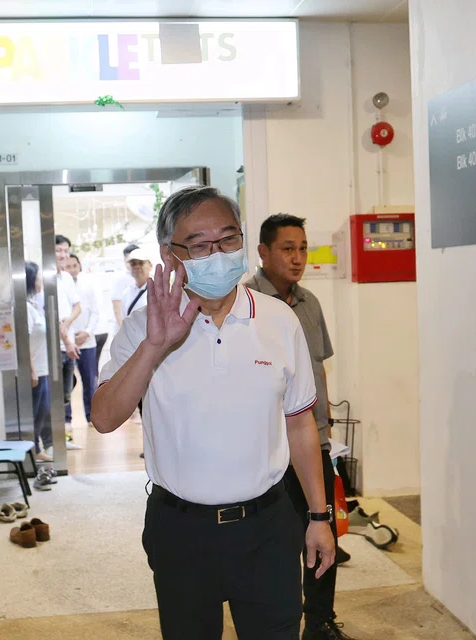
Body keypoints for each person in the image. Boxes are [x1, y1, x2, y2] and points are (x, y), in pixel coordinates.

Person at [92, 186, 335, 640]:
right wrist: (154, 346)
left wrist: (320, 518)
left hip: (267, 525)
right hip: (181, 530)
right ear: (170, 254)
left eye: (227, 240)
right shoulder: (143, 326)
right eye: (200, 245)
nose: (217, 254)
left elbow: (300, 423)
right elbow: (104, 418)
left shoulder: (280, 319)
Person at [246, 214, 353, 640]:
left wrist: (326, 433)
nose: (298, 258)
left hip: (314, 441)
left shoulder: (309, 302)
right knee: (274, 542)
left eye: (303, 248)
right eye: (288, 248)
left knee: (321, 526)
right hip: (267, 445)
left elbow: (318, 369)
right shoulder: (246, 303)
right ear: (263, 252)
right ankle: (277, 620)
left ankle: (320, 621)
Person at [53, 235, 84, 450]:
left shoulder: (65, 277)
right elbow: (50, 311)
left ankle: (64, 436)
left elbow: (77, 307)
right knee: (53, 394)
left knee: (65, 391)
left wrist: (69, 322)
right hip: (56, 346)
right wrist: (66, 338)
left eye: (66, 250)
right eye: (59, 251)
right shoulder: (44, 277)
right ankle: (54, 439)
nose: (63, 255)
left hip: (68, 343)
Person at [64, 254, 99, 426]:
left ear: (79, 266)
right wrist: (70, 337)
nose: (71, 269)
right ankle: (66, 418)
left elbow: (95, 312)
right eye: (67, 266)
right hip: (66, 342)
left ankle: (91, 416)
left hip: (87, 341)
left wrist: (87, 332)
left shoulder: (88, 285)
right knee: (67, 382)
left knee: (89, 381)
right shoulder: (61, 285)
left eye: (74, 266)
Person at [25, 262, 53, 462]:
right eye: (38, 278)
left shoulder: (33, 305)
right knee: (35, 415)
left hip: (43, 368)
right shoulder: (26, 308)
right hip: (37, 370)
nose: (40, 281)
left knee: (41, 413)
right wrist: (32, 370)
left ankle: (37, 450)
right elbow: (23, 340)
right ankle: (34, 453)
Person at [120, 246, 155, 318]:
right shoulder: (126, 293)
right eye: (133, 264)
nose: (137, 267)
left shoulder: (158, 291)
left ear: (150, 265)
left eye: (141, 263)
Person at [112, 243, 140, 327]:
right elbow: (117, 308)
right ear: (125, 259)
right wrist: (123, 330)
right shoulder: (120, 279)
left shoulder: (145, 277)